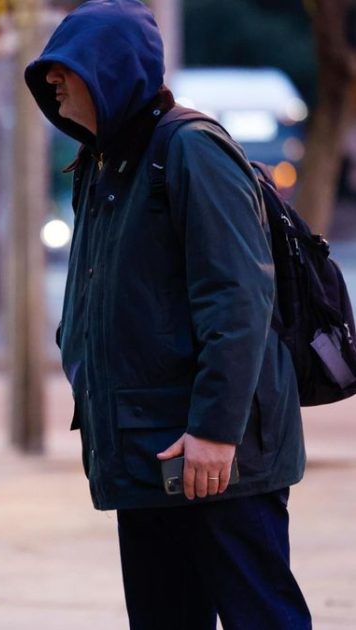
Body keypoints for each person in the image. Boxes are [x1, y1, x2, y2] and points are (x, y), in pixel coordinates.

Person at [24, 1, 311, 628]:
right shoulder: (104, 163)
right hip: (148, 447)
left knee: (259, 614)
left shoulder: (190, 150)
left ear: (111, 70)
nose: (51, 81)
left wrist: (215, 431)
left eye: (64, 68)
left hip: (215, 454)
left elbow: (238, 301)